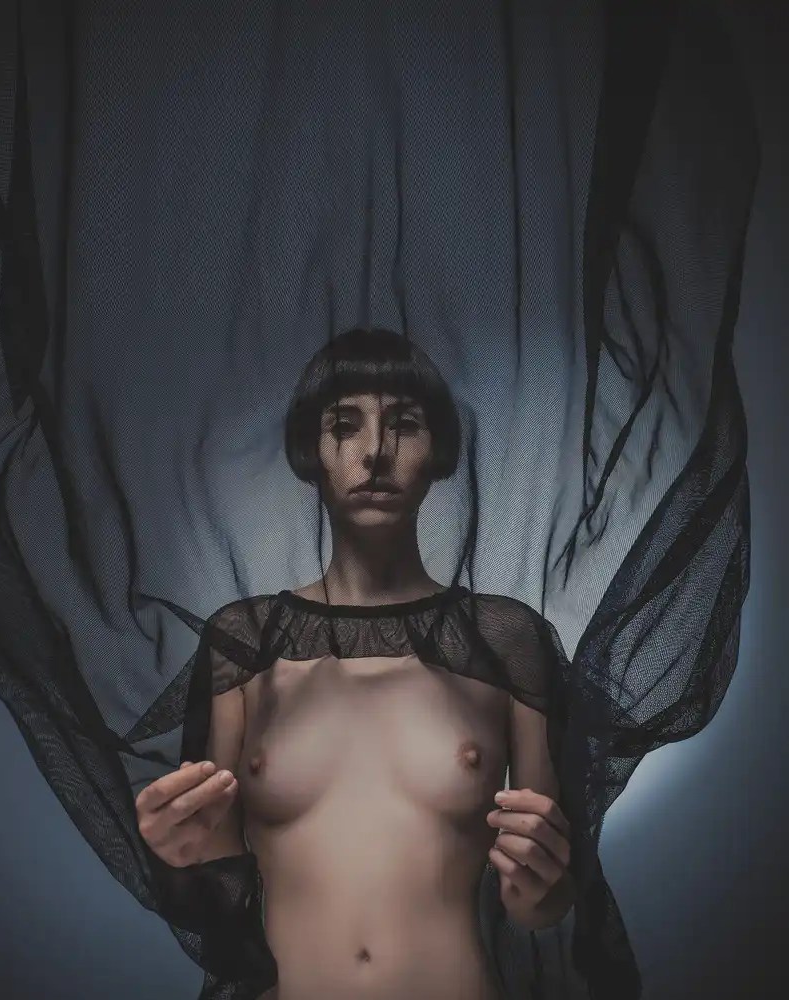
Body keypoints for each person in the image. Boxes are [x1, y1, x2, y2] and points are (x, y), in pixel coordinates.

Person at [136, 328, 577, 1000]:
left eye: (405, 424)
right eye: (345, 425)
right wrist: (177, 857)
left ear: (438, 452)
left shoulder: (505, 640)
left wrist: (541, 889)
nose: (375, 452)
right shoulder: (244, 644)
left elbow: (548, 894)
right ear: (311, 451)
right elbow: (217, 881)